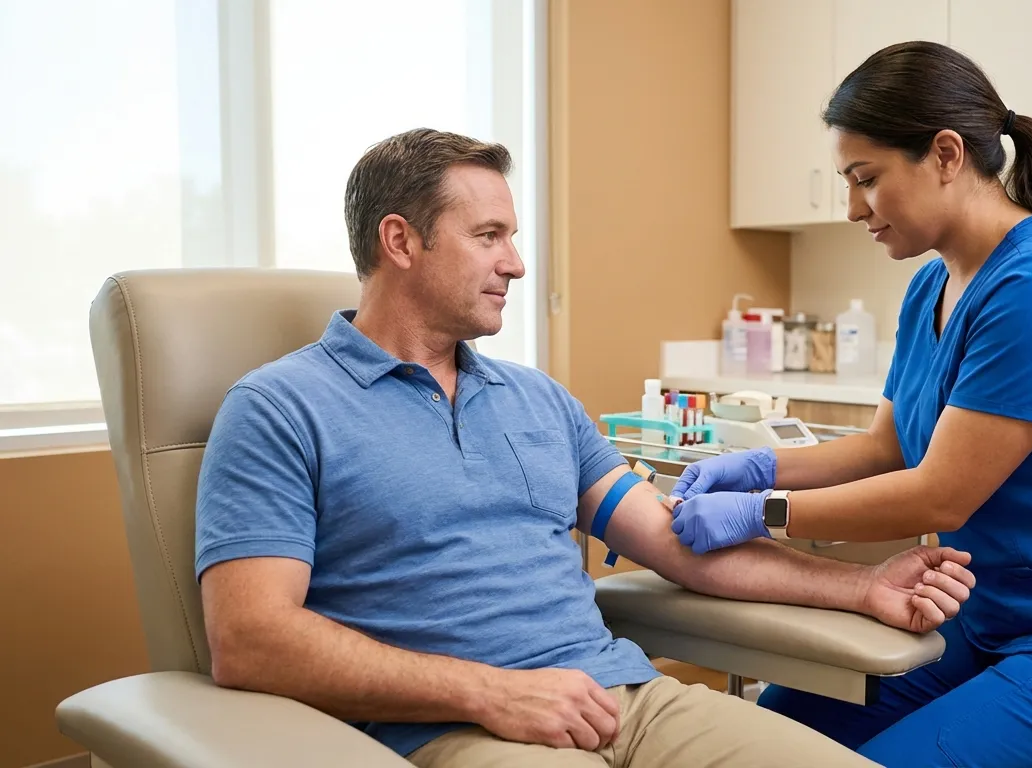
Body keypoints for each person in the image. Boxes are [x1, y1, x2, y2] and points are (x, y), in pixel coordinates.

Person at [194, 127, 977, 768]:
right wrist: (490, 693)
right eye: (488, 236)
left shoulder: (536, 400)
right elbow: (248, 640)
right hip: (459, 729)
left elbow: (675, 544)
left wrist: (861, 586)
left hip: (628, 700)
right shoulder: (280, 409)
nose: (515, 263)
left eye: (512, 237)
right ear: (400, 240)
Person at [669, 42, 1032, 768]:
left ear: (945, 154)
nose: (852, 208)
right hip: (994, 617)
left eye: (866, 179)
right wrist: (755, 466)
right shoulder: (931, 286)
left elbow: (938, 494)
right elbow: (885, 449)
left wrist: (763, 512)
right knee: (774, 735)